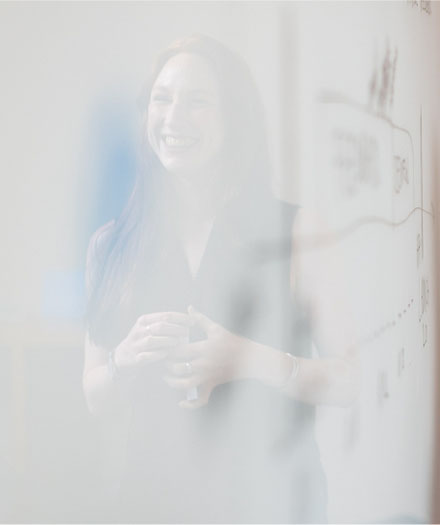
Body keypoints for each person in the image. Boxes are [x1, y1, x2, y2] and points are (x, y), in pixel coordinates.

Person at [82, 35, 355, 523]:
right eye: (162, 100)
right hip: (151, 501)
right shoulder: (111, 244)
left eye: (198, 102)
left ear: (236, 118)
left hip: (273, 500)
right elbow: (94, 394)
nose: (173, 118)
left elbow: (352, 379)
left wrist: (247, 359)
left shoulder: (298, 232)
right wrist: (125, 360)